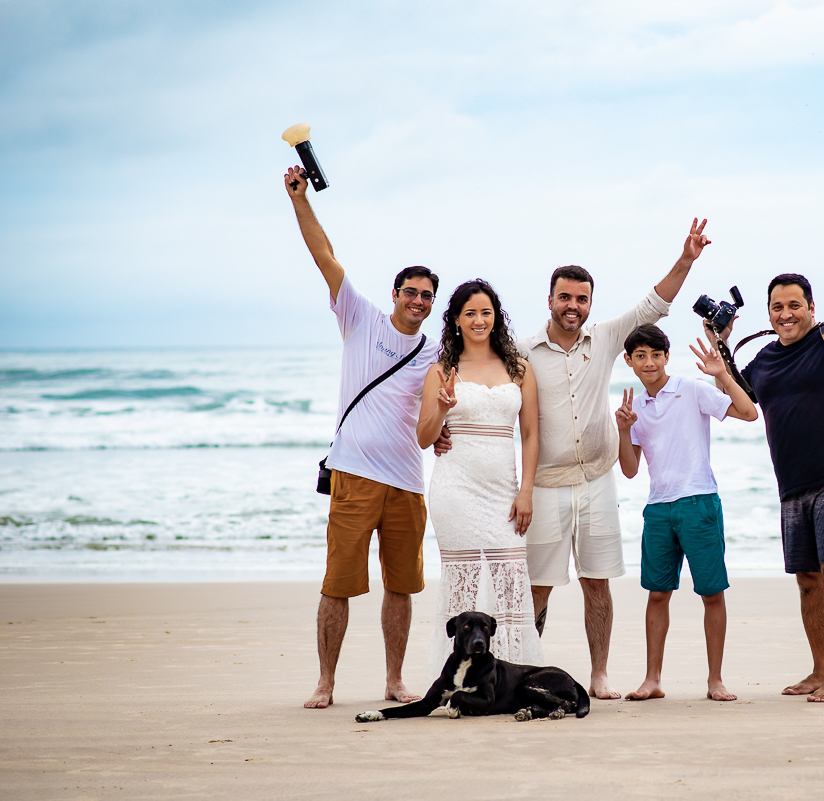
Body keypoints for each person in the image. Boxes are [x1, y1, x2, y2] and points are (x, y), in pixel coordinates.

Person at [435, 218, 712, 699]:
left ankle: (599, 674)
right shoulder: (518, 353)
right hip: (542, 485)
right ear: (550, 299)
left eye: (582, 299)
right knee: (536, 587)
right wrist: (443, 424)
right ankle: (518, 673)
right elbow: (473, 378)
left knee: (596, 583)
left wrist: (686, 259)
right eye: (565, 297)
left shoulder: (604, 340)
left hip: (597, 480)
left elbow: (655, 303)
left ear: (589, 304)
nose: (573, 306)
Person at [712, 210, 824, 703]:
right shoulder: (763, 360)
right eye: (776, 307)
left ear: (811, 306)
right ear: (767, 313)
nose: (784, 314)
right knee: (810, 581)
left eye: (794, 305)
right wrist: (721, 357)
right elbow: (741, 408)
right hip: (793, 483)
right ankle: (819, 668)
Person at [284, 165, 440, 709]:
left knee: (400, 586)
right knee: (338, 583)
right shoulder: (360, 318)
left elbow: (440, 411)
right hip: (353, 475)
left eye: (427, 297)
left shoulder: (433, 355)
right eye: (411, 293)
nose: (418, 302)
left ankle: (395, 680)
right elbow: (324, 255)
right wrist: (301, 201)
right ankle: (326, 683)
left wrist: (442, 435)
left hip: (407, 482)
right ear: (395, 294)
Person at [614, 324, 758, 703]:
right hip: (658, 509)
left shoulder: (691, 388)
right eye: (640, 356)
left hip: (699, 502)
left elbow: (749, 412)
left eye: (656, 355)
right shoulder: (634, 408)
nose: (649, 363)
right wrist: (622, 430)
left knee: (711, 592)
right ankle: (652, 680)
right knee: (657, 594)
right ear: (628, 361)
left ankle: (715, 680)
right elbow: (629, 470)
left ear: (666, 356)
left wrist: (722, 374)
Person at [416, 280, 544, 677]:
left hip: (505, 492)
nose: (478, 320)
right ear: (456, 320)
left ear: (496, 317)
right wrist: (440, 408)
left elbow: (530, 434)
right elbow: (424, 437)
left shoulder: (519, 368)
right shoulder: (441, 371)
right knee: (464, 585)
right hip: (455, 491)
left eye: (485, 312)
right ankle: (456, 680)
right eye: (469, 313)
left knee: (510, 580)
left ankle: (513, 675)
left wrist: (526, 491)